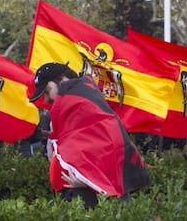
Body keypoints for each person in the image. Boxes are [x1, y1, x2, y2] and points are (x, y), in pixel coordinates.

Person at [30, 62, 151, 209]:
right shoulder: (73, 107)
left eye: (47, 91)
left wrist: (87, 179)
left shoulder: (83, 104)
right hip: (80, 192)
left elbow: (108, 148)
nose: (46, 99)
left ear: (62, 81)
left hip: (91, 195)